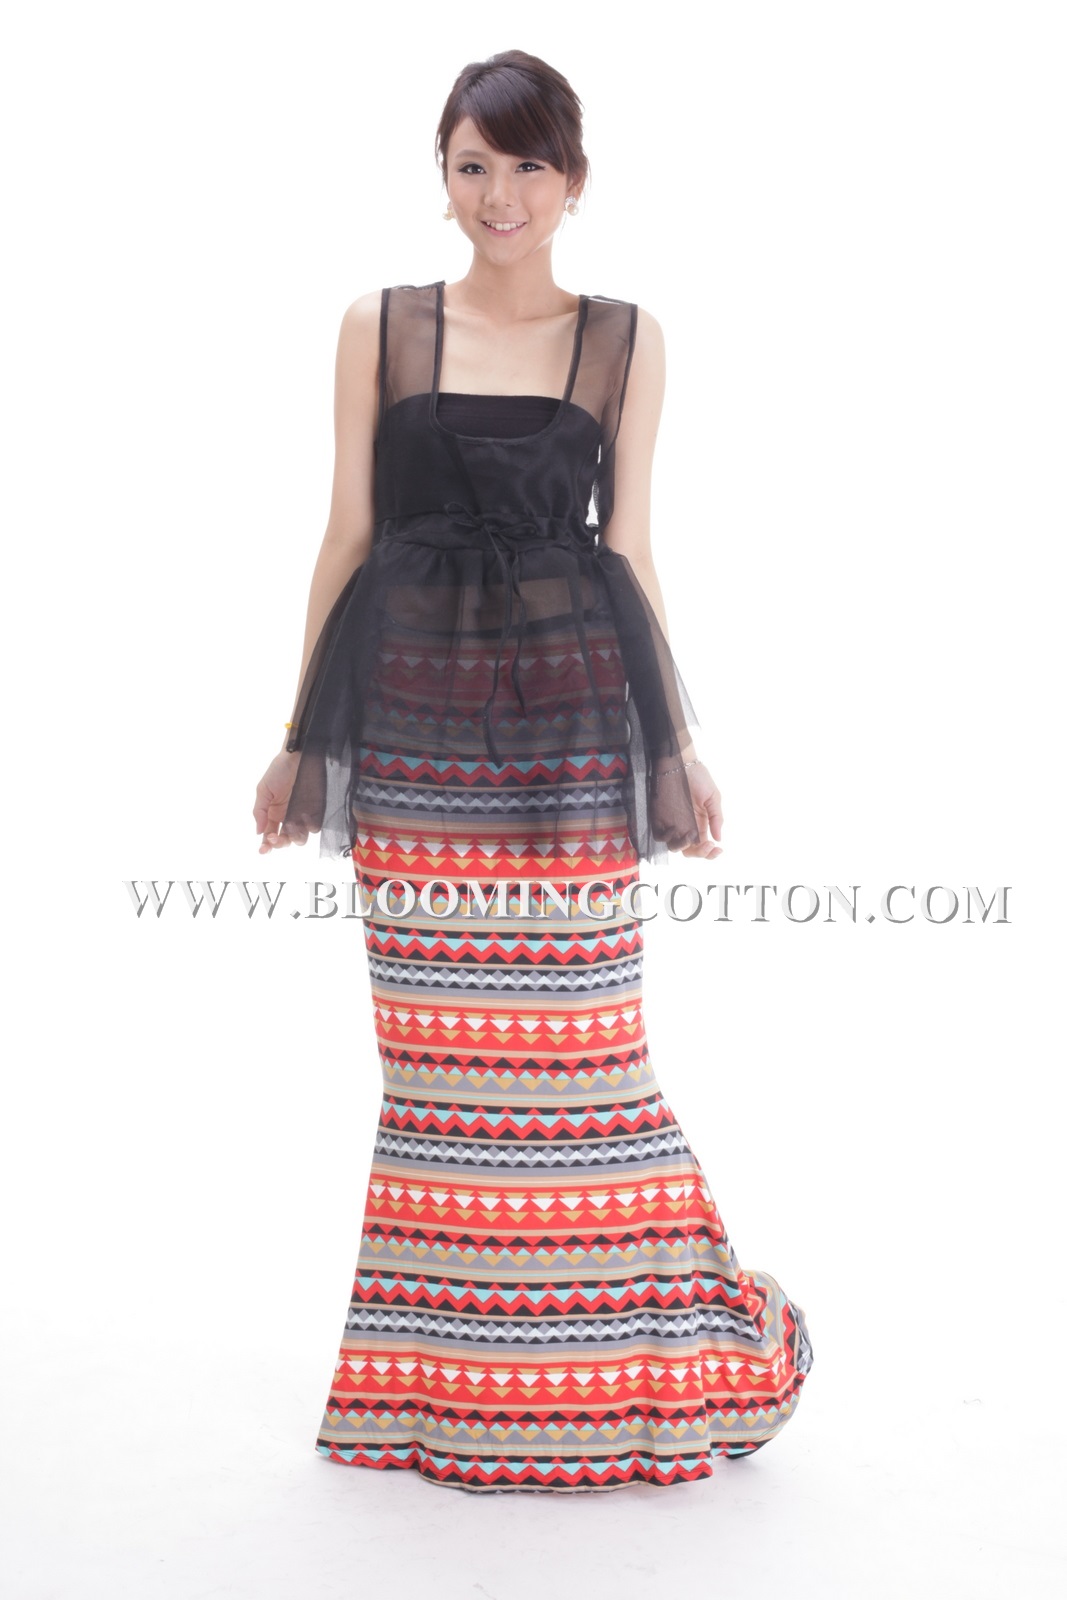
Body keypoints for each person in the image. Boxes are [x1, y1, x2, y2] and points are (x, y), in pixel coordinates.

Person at [253, 48, 813, 1494]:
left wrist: (676, 748)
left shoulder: (624, 339)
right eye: (472, 165)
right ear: (441, 177)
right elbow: (344, 537)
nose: (499, 194)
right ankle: (440, 1389)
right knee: (440, 1076)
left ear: (574, 180)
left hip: (571, 728)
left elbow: (632, 548)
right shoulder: (379, 327)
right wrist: (301, 739)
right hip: (412, 733)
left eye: (527, 166)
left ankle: (641, 1366)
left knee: (587, 1059)